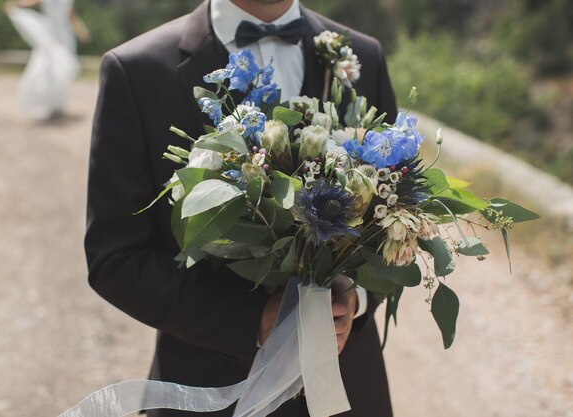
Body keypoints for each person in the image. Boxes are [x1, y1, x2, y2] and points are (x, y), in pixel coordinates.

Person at [85, 0, 397, 416]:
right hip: (207, 387)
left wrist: (354, 298)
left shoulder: (364, 56)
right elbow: (115, 258)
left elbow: (394, 221)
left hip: (347, 391)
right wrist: (252, 319)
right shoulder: (138, 71)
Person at [5, 0, 90, 119]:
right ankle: (45, 101)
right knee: (49, 67)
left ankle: (57, 103)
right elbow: (30, 2)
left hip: (65, 35)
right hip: (51, 35)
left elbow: (71, 17)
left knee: (62, 69)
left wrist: (81, 31)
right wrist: (17, 4)